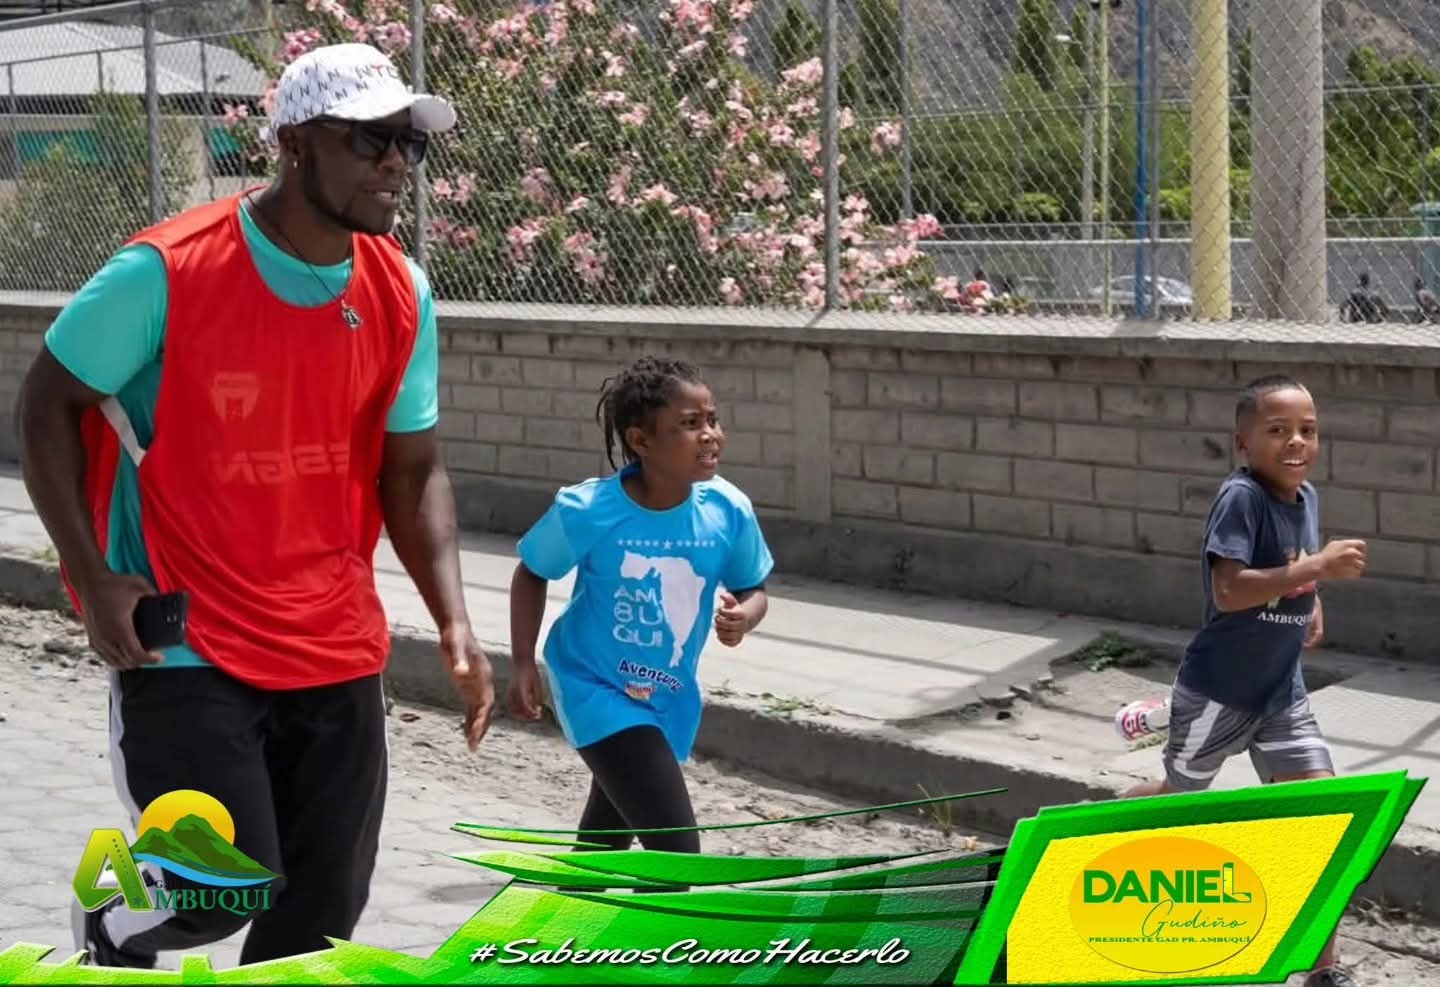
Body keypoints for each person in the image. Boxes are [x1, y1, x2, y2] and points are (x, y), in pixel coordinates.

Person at [14, 43, 495, 967]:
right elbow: (46, 404)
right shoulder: (167, 271)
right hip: (185, 637)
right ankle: (113, 914)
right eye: (369, 139)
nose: (395, 163)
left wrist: (455, 619)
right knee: (218, 886)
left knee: (322, 916)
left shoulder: (401, 290)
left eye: (408, 143)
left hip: (333, 638)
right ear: (295, 144)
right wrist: (90, 574)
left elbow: (412, 470)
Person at [1120, 375, 1366, 987]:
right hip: (1220, 692)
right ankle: (1099, 827)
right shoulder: (1241, 499)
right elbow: (1229, 590)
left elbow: (1292, 566)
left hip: (1281, 693)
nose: (1296, 442)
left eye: (1308, 430)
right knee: (1178, 802)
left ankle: (1322, 970)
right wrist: (1318, 567)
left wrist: (1311, 599)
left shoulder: (1306, 496)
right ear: (1243, 443)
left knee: (1319, 818)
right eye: (1277, 430)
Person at [506, 356, 773, 861]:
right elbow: (533, 571)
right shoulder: (590, 510)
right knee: (675, 850)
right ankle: (661, 914)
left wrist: (746, 616)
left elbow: (753, 587)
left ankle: (570, 907)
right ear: (641, 441)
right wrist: (522, 662)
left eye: (712, 419)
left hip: (666, 693)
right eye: (689, 424)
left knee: (605, 840)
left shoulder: (728, 510)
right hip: (593, 686)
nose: (710, 435)